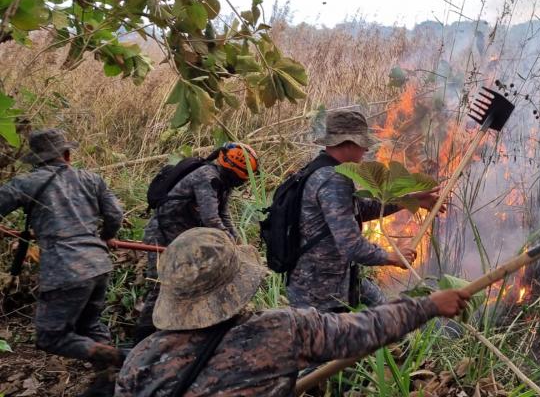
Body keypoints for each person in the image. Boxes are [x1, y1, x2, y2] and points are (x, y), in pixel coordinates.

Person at [115, 227, 470, 396]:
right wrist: (429, 305)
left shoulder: (139, 361)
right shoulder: (278, 333)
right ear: (237, 283)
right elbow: (363, 330)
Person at [0, 128, 125, 395]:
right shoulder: (91, 179)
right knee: (90, 325)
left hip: (64, 270)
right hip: (99, 265)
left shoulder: (26, 184)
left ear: (35, 160)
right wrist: (106, 236)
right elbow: (115, 213)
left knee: (49, 337)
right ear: (67, 155)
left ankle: (111, 355)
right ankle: (108, 385)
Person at [287, 110, 443, 312]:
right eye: (362, 143)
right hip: (320, 290)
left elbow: (359, 209)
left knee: (386, 315)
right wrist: (391, 257)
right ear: (349, 143)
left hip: (339, 276)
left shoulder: (325, 169)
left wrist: (410, 200)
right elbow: (351, 245)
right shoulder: (332, 180)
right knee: (351, 335)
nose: (366, 148)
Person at [133, 142, 259, 342]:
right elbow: (211, 218)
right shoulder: (207, 177)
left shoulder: (222, 183)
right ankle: (141, 337)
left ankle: (175, 331)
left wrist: (236, 240)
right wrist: (228, 242)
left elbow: (223, 214)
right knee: (159, 285)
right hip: (161, 236)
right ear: (234, 171)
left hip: (183, 239)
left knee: (187, 284)